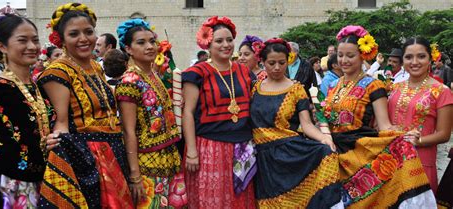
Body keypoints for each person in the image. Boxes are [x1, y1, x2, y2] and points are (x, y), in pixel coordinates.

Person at [326, 25, 436, 207]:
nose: (344, 60)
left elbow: (384, 125)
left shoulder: (374, 85)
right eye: (340, 55)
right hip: (332, 153)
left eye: (350, 55)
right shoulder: (333, 85)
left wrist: (404, 136)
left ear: (362, 56)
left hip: (359, 152)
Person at [36, 3, 133, 208]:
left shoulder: (96, 67)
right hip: (86, 156)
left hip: (113, 149)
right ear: (61, 40)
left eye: (88, 32)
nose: (83, 39)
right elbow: (62, 122)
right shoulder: (58, 72)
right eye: (74, 34)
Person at [250, 38, 341, 208]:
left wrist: (323, 139)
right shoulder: (255, 88)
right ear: (262, 62)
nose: (277, 67)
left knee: (325, 153)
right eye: (271, 63)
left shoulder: (296, 88)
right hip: (262, 158)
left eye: (281, 62)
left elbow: (306, 123)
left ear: (288, 61)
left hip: (288, 153)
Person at [0, 13, 53, 208]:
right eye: (22, 40)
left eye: (35, 40)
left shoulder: (41, 86)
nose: (32, 46)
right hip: (10, 186)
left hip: (49, 182)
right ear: (2, 46)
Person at [182, 16, 256, 208]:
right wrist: (191, 151)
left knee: (240, 200)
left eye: (229, 40)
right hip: (210, 147)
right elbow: (188, 113)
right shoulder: (197, 73)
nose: (226, 45)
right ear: (208, 43)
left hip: (242, 146)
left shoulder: (244, 71)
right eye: (219, 41)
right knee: (212, 200)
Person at [114, 18, 188, 208]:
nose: (150, 46)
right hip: (147, 162)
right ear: (128, 48)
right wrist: (135, 175)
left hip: (168, 156)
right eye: (141, 42)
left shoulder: (153, 75)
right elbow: (128, 131)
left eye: (152, 41)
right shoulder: (129, 81)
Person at [388, 37, 453, 194]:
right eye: (409, 57)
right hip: (389, 161)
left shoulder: (442, 91)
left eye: (421, 56)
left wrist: (419, 140)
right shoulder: (393, 88)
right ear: (403, 61)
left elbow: (444, 134)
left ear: (430, 59)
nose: (414, 62)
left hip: (420, 162)